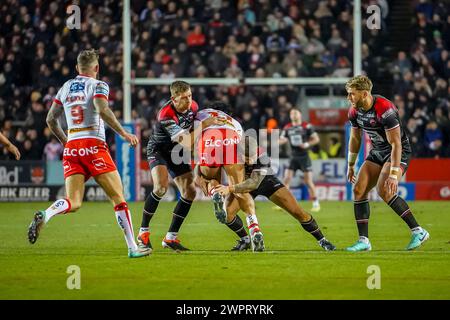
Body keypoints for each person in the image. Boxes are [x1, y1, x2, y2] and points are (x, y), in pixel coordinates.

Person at [27, 49, 150, 258]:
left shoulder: (65, 87)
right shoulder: (99, 85)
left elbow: (50, 119)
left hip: (73, 146)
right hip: (93, 144)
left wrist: (66, 141)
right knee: (118, 198)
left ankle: (46, 214)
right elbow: (102, 110)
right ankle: (132, 248)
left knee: (73, 202)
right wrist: (124, 133)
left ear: (76, 68)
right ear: (97, 68)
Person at [198, 136, 336, 251]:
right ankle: (246, 239)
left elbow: (254, 183)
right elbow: (203, 164)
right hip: (241, 186)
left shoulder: (262, 155)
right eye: (247, 158)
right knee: (226, 215)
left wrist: (229, 189)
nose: (250, 161)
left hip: (266, 182)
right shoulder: (229, 151)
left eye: (252, 157)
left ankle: (322, 240)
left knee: (298, 212)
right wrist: (200, 176)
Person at [346, 75, 429, 251]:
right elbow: (355, 138)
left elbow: (396, 143)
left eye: (352, 94)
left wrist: (392, 175)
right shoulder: (354, 111)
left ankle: (418, 231)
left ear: (364, 93)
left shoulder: (385, 109)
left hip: (397, 150)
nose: (349, 98)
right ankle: (364, 241)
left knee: (384, 189)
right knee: (358, 190)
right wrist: (351, 164)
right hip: (378, 151)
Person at [138, 81, 223, 252]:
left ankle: (171, 238)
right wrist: (204, 125)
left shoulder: (194, 107)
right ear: (173, 99)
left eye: (190, 96)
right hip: (159, 150)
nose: (189, 101)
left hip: (176, 151)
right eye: (184, 98)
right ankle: (143, 233)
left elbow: (194, 136)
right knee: (161, 188)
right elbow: (187, 141)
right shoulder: (165, 115)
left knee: (190, 191)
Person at [193, 103, 265, 252]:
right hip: (232, 139)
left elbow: (191, 139)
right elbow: (243, 145)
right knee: (240, 190)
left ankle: (215, 193)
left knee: (210, 179)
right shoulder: (234, 121)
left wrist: (198, 172)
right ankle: (254, 227)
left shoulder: (201, 114)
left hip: (209, 141)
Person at [279, 108, 321, 212]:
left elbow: (316, 139)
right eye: (291, 113)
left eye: (295, 113)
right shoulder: (287, 127)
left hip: (304, 156)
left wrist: (307, 144)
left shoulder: (307, 126)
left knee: (308, 181)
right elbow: (283, 139)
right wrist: (276, 141)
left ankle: (316, 204)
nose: (293, 115)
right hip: (293, 156)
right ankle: (284, 204)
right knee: (286, 179)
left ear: (300, 115)